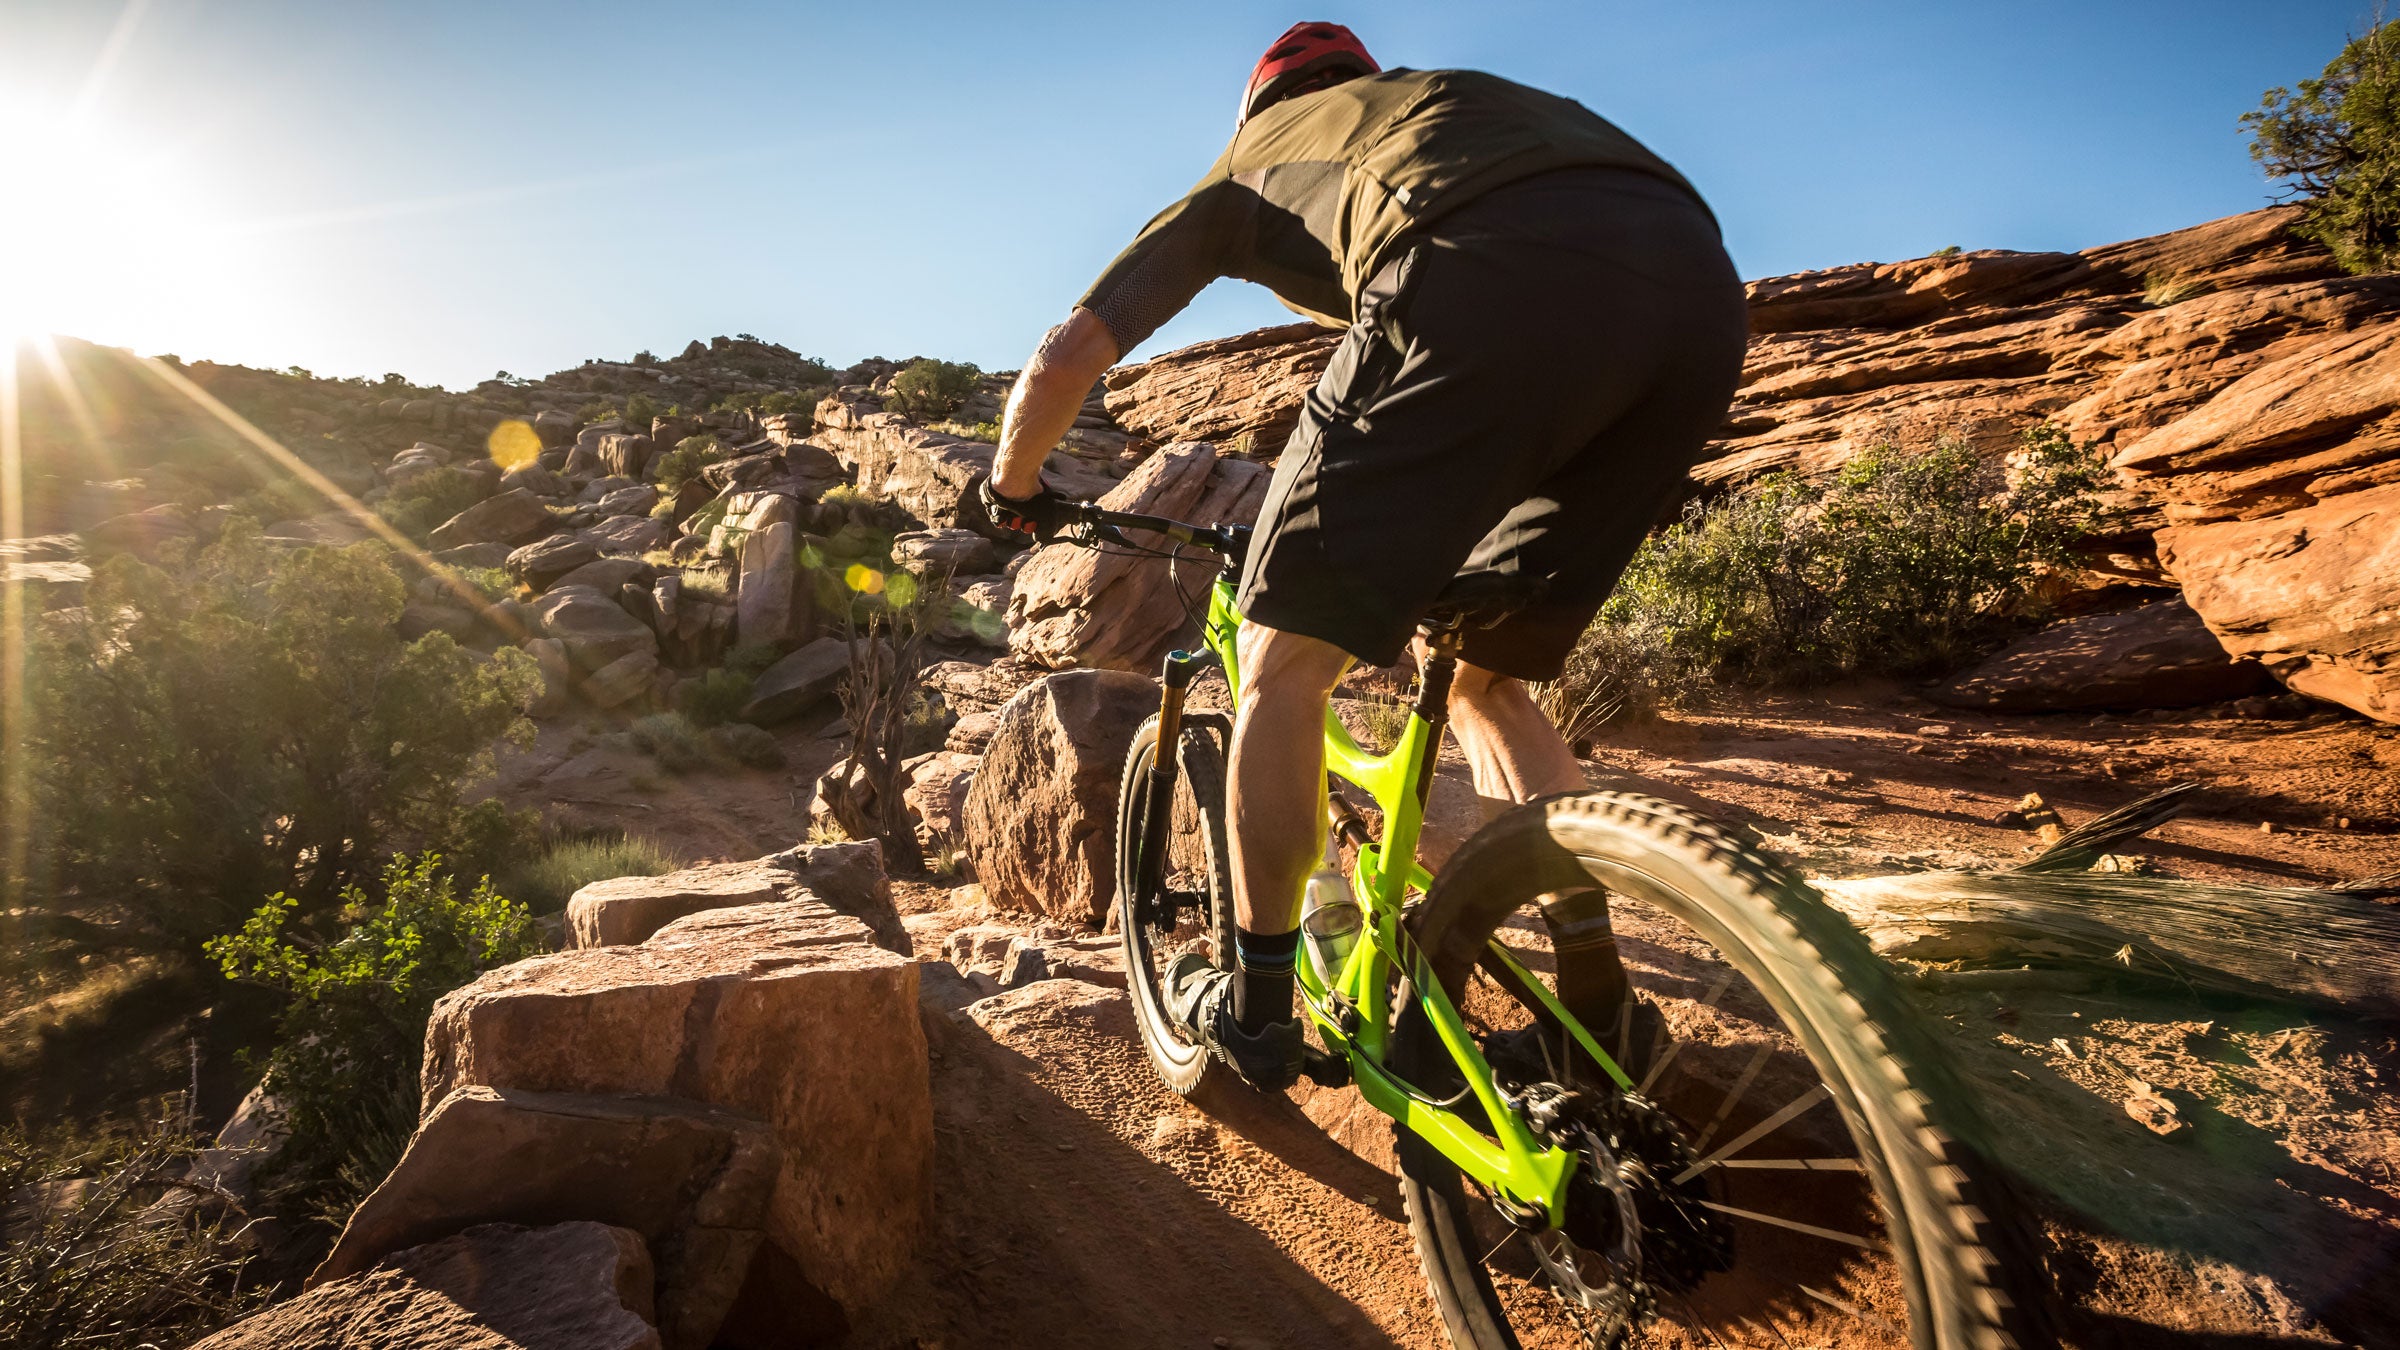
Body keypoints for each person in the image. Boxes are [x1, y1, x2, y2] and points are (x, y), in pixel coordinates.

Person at [980, 22, 1748, 1090]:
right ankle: (1600, 1011)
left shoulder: (1253, 159)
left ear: (1257, 107)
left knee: (1282, 661)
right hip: (1700, 291)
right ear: (1365, 80)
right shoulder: (1449, 101)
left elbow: (1070, 355)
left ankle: (1253, 1010)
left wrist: (1011, 489)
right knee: (1483, 678)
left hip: (1479, 263)